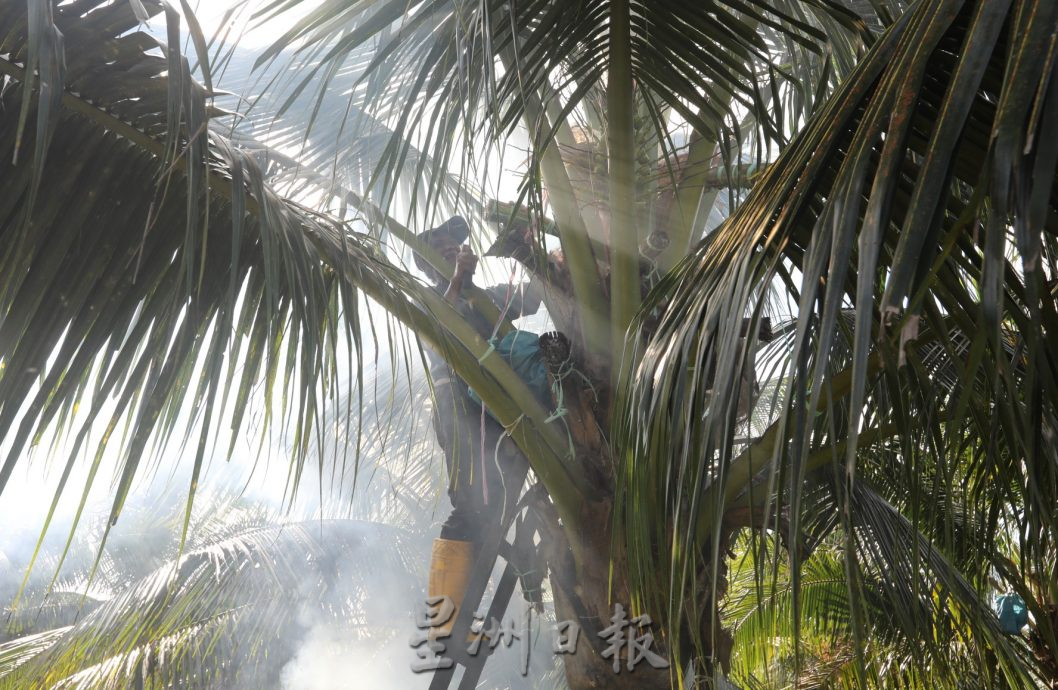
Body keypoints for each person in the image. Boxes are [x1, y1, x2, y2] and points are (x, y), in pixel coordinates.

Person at [413, 216, 542, 635]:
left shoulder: (488, 298)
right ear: (426, 265)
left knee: (493, 506)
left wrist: (533, 248)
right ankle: (444, 624)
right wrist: (457, 280)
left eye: (453, 242)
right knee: (469, 503)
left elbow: (535, 298)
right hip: (459, 407)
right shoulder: (429, 298)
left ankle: (458, 617)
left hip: (498, 409)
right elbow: (440, 328)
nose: (450, 245)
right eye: (439, 245)